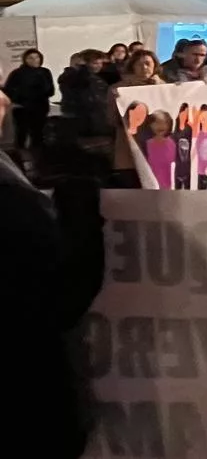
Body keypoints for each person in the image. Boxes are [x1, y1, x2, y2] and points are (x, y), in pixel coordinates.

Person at [0, 91, 106, 459]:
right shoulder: (10, 202)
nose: (3, 99)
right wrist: (81, 209)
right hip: (26, 405)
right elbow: (61, 299)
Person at [3, 48, 54, 155]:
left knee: (38, 134)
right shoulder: (17, 73)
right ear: (25, 59)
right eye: (30, 58)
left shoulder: (45, 72)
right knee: (22, 134)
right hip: (23, 108)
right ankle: (20, 158)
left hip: (41, 107)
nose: (34, 60)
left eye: (37, 57)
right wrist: (21, 99)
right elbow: (9, 90)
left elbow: (50, 90)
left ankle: (38, 159)